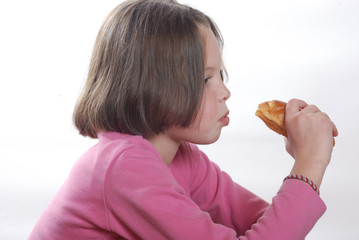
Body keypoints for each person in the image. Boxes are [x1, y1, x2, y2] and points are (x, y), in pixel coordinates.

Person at [28, 0, 338, 239]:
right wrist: (309, 163)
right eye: (205, 80)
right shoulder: (124, 166)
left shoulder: (184, 159)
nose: (225, 92)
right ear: (152, 84)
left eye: (221, 75)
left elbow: (265, 224)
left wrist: (305, 162)